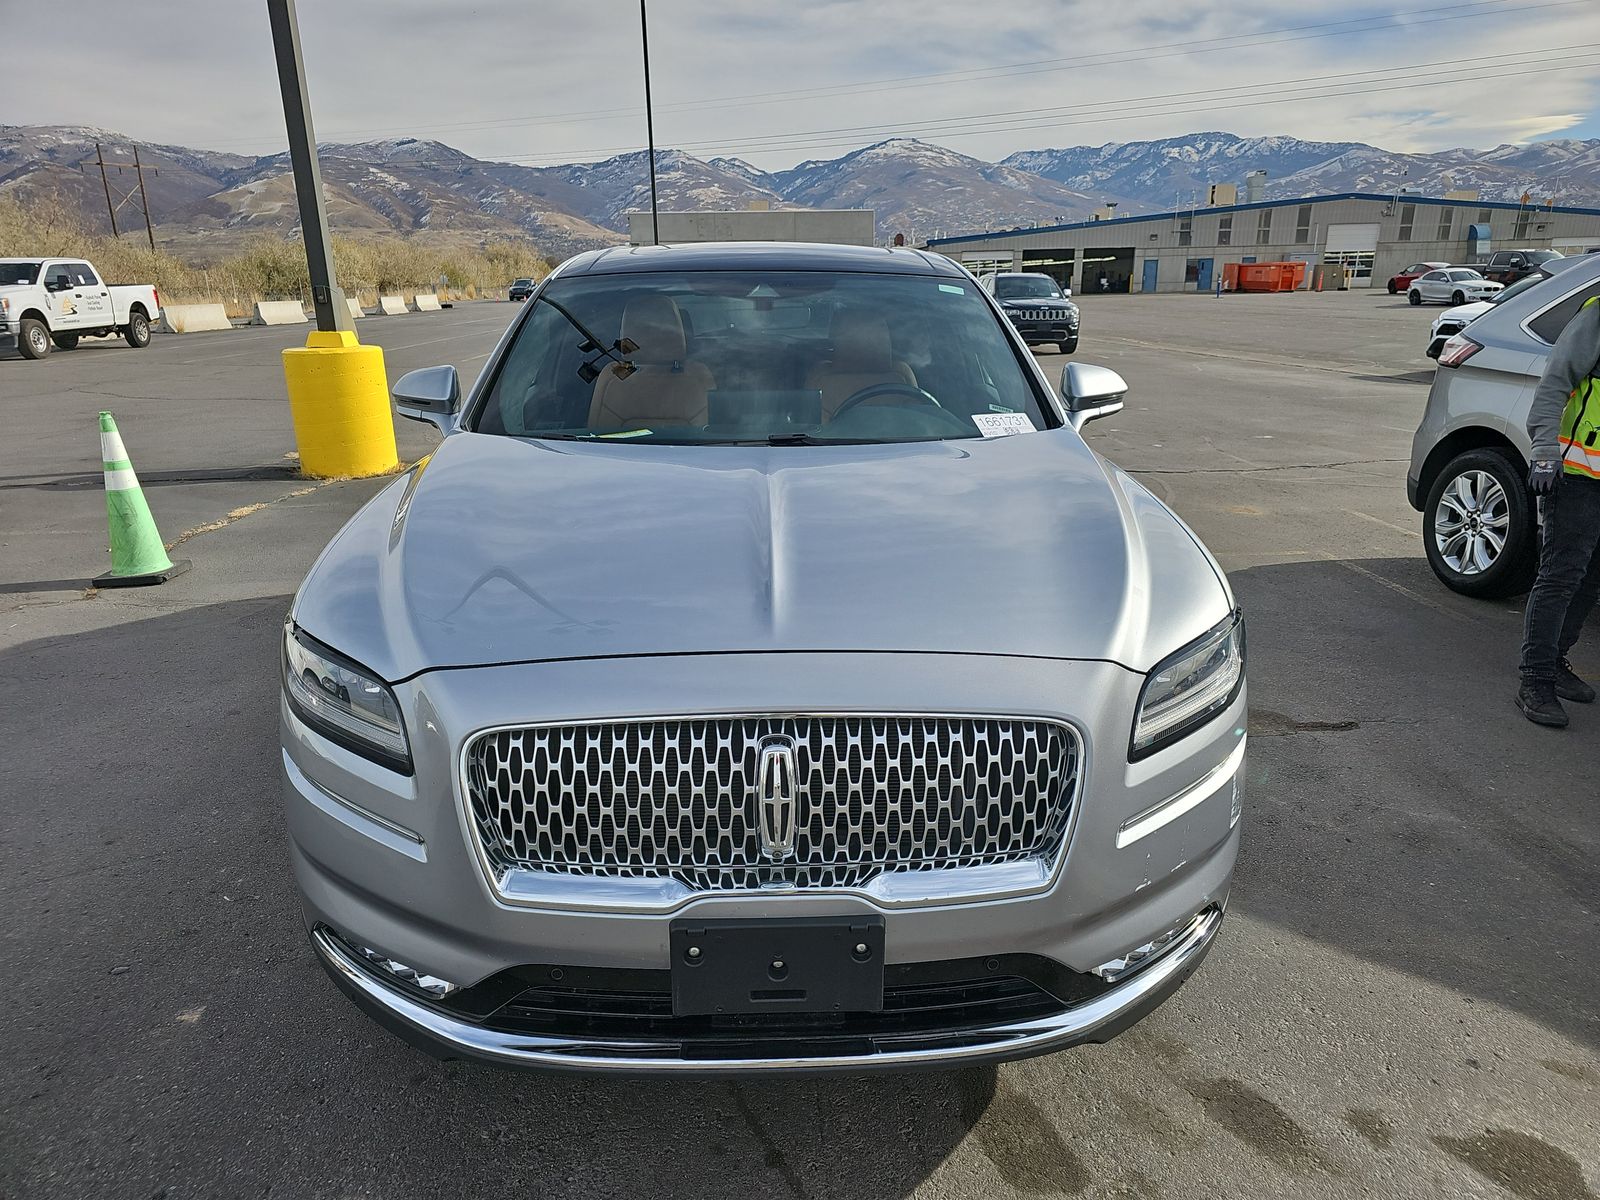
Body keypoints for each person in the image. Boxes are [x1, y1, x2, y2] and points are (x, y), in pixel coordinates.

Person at [1516, 293, 1600, 727]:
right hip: (1578, 474)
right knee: (1561, 577)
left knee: (1592, 578)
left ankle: (1559, 661)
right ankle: (1536, 681)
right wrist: (1545, 451)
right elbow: (1554, 382)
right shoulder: (1598, 315)